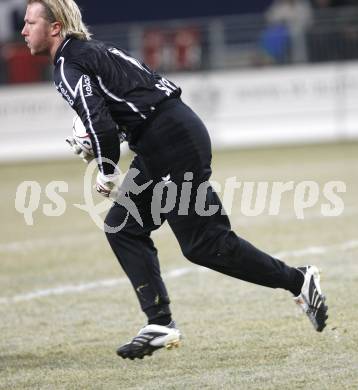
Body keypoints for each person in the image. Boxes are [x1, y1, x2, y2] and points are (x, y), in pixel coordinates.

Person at [21, 0, 328, 360]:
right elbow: (127, 103)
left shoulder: (69, 63)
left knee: (205, 243)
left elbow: (99, 119)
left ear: (55, 27)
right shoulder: (88, 53)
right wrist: (105, 135)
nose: (23, 30)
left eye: (30, 22)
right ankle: (160, 323)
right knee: (122, 227)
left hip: (171, 141)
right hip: (162, 137)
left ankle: (299, 280)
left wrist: (105, 168)